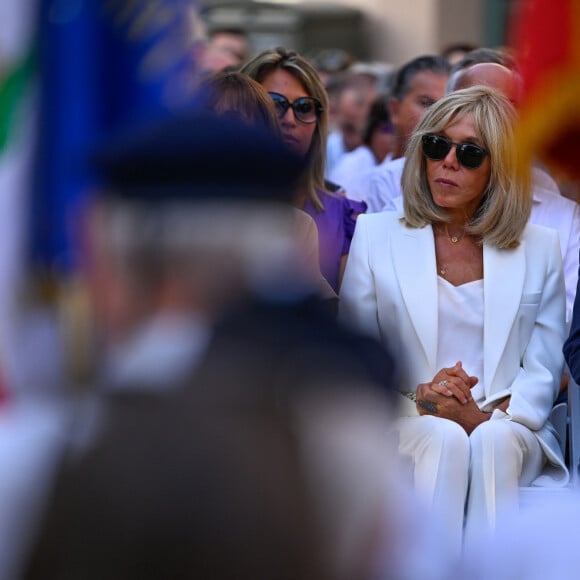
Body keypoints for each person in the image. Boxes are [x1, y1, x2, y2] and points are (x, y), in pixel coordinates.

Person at [339, 86, 568, 552]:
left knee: (491, 443)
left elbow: (542, 370)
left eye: (469, 153)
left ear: (498, 168)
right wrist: (422, 399)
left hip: (509, 423)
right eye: (437, 146)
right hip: (406, 415)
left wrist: (482, 416)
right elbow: (356, 359)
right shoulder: (375, 235)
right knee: (441, 437)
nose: (448, 162)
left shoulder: (539, 247)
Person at [448, 60, 580, 323]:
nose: (493, 117)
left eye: (510, 106)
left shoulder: (564, 218)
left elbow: (565, 317)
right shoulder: (400, 213)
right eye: (476, 102)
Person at [241, 47, 366, 292]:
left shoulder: (345, 218)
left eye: (304, 107)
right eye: (274, 104)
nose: (289, 119)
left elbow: (348, 318)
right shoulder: (210, 210)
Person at [346, 54, 450, 210]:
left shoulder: (457, 187)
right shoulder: (360, 191)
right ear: (394, 109)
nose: (438, 115)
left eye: (446, 106)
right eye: (426, 103)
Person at [329, 94, 395, 196]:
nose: (394, 138)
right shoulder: (352, 165)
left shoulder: (392, 166)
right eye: (387, 130)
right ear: (372, 130)